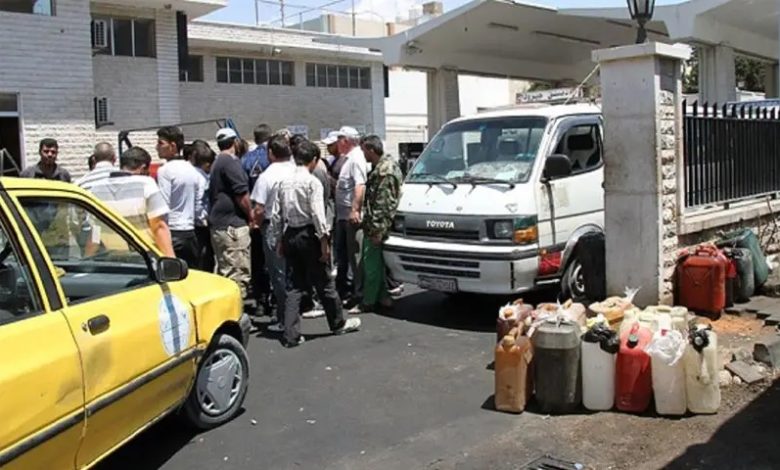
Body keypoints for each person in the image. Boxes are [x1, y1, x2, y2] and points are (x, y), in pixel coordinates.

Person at [270, 140, 361, 348]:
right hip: (309, 234)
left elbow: (276, 215)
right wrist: (324, 242)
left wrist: (279, 240)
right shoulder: (312, 183)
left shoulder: (283, 182)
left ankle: (291, 334)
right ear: (313, 160)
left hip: (290, 233)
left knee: (294, 286)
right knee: (324, 281)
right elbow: (318, 215)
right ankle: (337, 323)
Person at [87, 147, 174, 257]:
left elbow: (95, 231)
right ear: (143, 168)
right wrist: (171, 260)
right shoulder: (146, 184)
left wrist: (88, 258)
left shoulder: (96, 189)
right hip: (146, 258)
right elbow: (159, 226)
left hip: (115, 259)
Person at [251, 135, 295, 331]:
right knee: (294, 273)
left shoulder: (266, 176)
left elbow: (259, 209)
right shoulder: (297, 171)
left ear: (270, 153)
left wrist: (256, 224)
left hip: (273, 226)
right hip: (297, 225)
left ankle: (285, 319)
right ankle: (294, 314)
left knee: (278, 273)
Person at [354, 135, 402, 313]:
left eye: (364, 151)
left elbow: (383, 204)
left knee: (371, 265)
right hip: (375, 224)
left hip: (377, 226)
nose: (363, 155)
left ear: (371, 150)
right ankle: (383, 297)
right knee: (377, 264)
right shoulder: (380, 167)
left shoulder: (384, 171)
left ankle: (368, 301)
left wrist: (377, 230)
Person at [209, 128, 254, 301]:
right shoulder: (230, 162)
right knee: (237, 274)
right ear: (235, 142)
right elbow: (241, 194)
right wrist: (251, 215)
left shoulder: (218, 161)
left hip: (220, 225)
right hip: (232, 226)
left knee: (225, 270)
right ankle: (236, 310)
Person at [156, 126, 204, 269]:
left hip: (172, 231)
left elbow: (163, 204)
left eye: (160, 143)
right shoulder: (193, 170)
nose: (157, 147)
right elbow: (198, 205)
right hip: (190, 232)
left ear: (172, 146)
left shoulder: (164, 170)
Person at [333, 127, 368, 307]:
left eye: (339, 139)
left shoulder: (356, 159)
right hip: (342, 215)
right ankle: (352, 290)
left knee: (355, 256)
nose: (337, 143)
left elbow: (360, 186)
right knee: (345, 255)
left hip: (350, 216)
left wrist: (355, 210)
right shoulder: (347, 158)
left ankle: (360, 294)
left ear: (345, 140)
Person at [186, 140, 216, 272]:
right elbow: (200, 201)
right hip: (200, 225)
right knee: (204, 257)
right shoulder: (202, 178)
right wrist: (203, 219)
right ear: (207, 164)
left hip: (191, 221)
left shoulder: (190, 173)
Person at [242, 123, 272, 191]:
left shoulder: (245, 158)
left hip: (253, 193)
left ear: (255, 140)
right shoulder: (276, 155)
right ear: (270, 138)